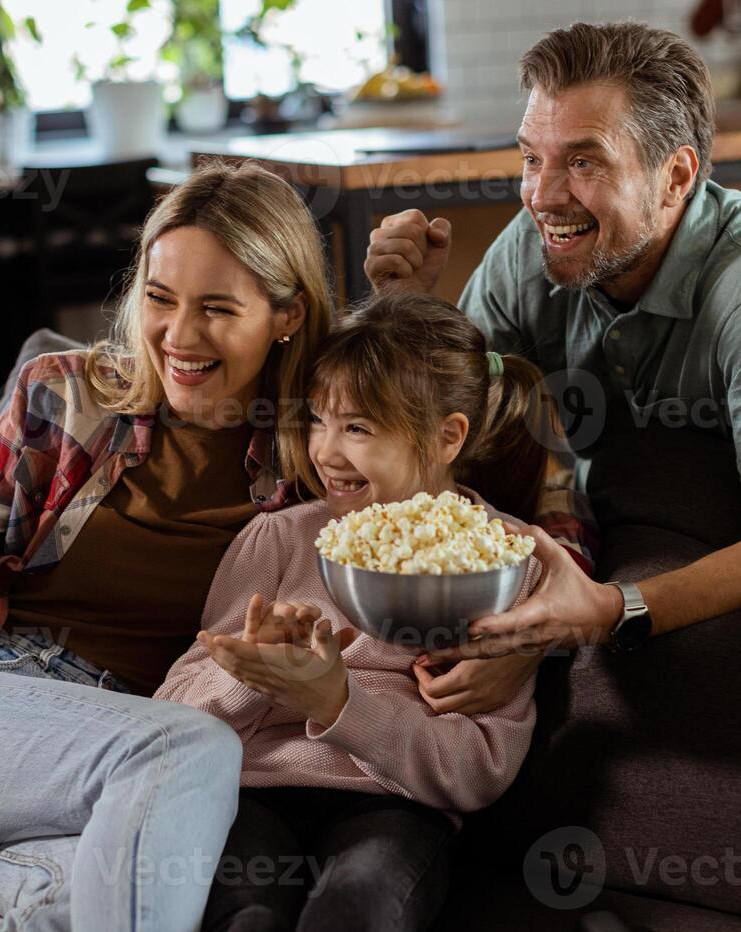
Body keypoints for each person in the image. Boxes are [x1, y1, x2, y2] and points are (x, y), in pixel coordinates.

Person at [0, 162, 334, 931]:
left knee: (101, 904)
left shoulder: (320, 464)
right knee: (194, 749)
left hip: (96, 776)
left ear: (287, 315)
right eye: (159, 299)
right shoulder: (64, 395)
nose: (179, 336)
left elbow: (451, 446)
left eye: (219, 309)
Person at [364, 21, 741, 667]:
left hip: (701, 548)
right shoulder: (531, 245)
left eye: (583, 161)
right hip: (579, 530)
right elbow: (453, 439)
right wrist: (409, 311)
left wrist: (610, 612)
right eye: (531, 158)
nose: (541, 197)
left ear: (675, 176)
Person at [156, 293, 552, 931]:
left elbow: (478, 770)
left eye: (359, 428)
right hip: (252, 792)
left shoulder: (507, 563)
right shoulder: (280, 539)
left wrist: (336, 702)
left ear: (448, 436)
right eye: (318, 419)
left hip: (395, 807)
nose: (325, 451)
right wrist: (253, 672)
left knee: (356, 912)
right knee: (243, 913)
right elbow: (171, 720)